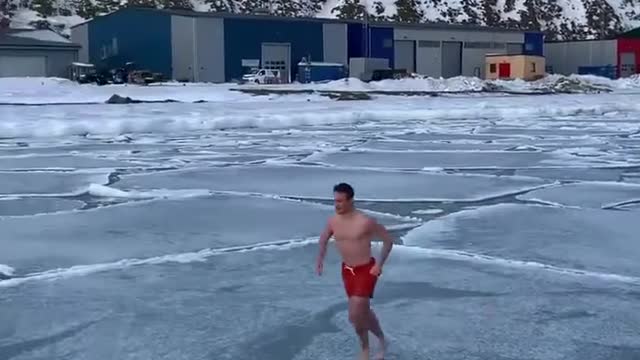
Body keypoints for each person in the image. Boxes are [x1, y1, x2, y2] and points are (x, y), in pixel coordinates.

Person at [316, 182, 394, 360]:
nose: (337, 205)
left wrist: (379, 264)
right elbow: (323, 239)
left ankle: (369, 347)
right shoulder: (333, 221)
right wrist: (320, 259)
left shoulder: (365, 221)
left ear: (351, 200)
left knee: (354, 313)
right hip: (347, 271)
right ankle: (378, 339)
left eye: (341, 201)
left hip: (366, 270)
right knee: (360, 315)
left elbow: (388, 241)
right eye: (335, 201)